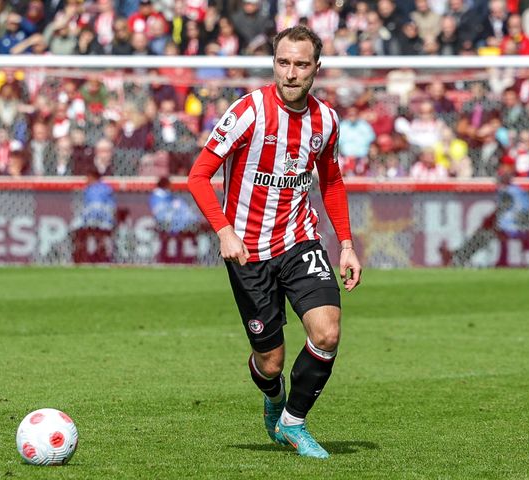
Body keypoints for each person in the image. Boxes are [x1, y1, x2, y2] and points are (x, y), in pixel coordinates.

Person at [187, 25, 362, 459]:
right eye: (283, 62)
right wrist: (224, 231)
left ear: (316, 68)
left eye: (301, 64)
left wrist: (345, 244)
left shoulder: (326, 120)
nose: (290, 72)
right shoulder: (248, 111)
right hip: (246, 250)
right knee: (271, 363)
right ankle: (273, 396)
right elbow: (198, 175)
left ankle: (294, 422)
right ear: (274, 64)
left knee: (328, 331)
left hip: (301, 241)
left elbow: (332, 181)